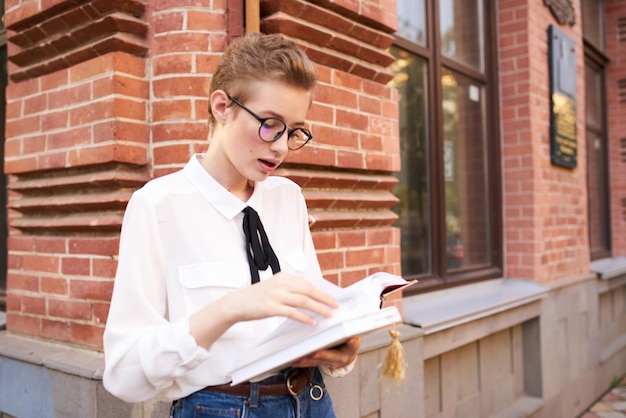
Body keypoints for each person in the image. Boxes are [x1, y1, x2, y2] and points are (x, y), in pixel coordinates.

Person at [102, 32, 362, 417]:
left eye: (294, 132)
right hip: (218, 408)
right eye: (270, 124)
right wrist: (230, 309)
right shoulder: (158, 205)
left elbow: (312, 314)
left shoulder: (287, 197)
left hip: (312, 401)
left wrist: (339, 347)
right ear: (222, 106)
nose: (280, 147)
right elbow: (124, 375)